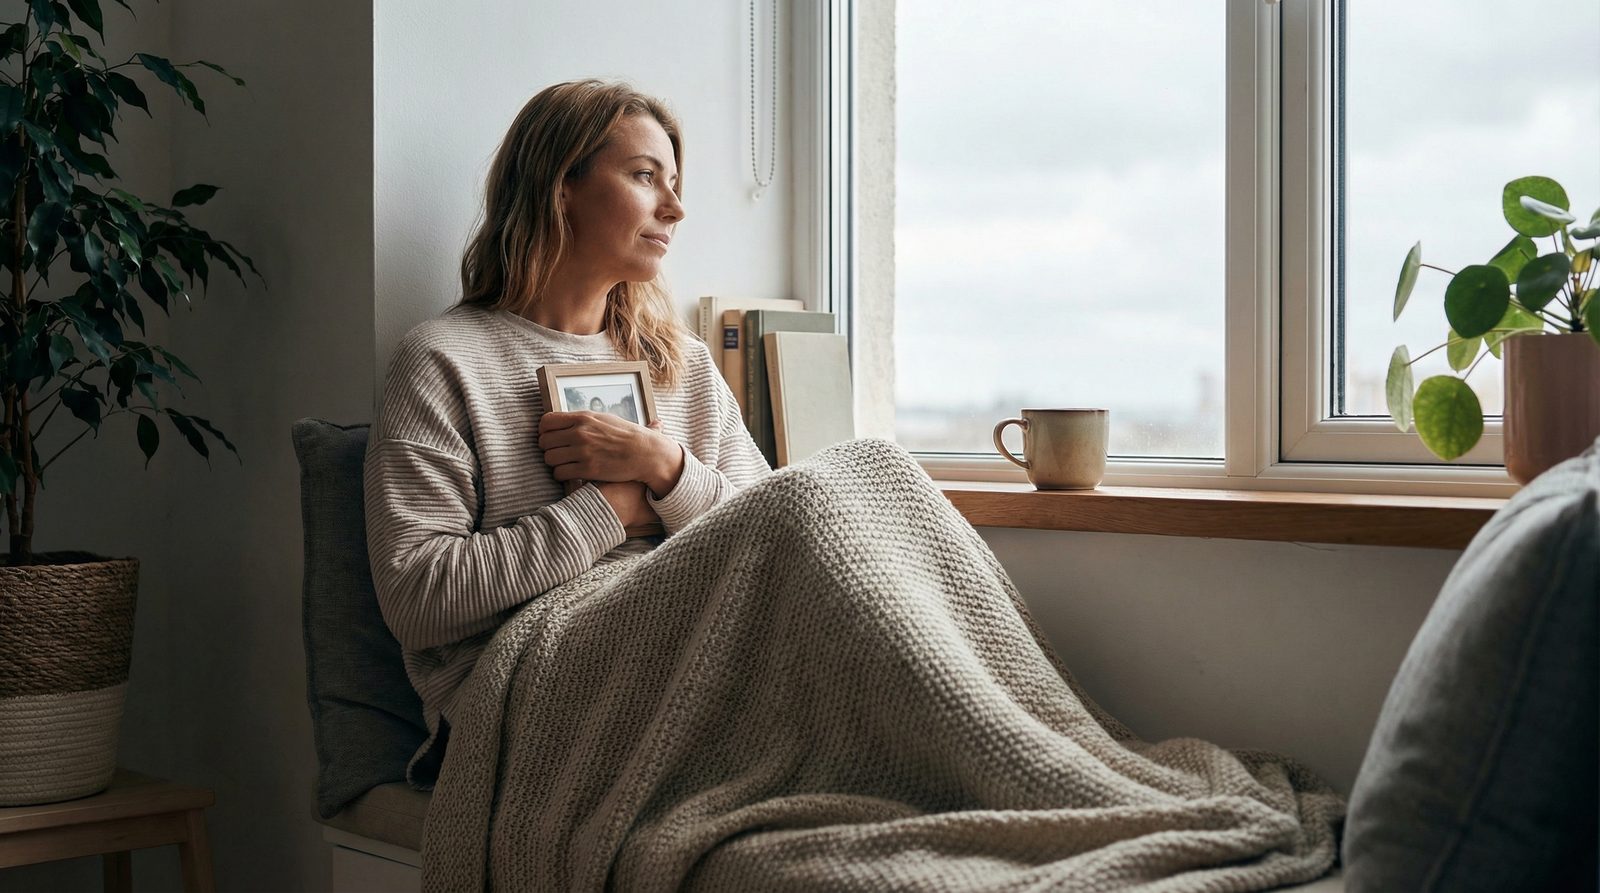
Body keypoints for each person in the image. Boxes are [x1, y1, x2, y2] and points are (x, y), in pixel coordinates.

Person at [363, 79, 771, 741]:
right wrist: (607, 510)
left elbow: (773, 538)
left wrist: (666, 470)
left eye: (674, 182)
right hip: (525, 684)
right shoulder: (445, 360)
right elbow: (419, 599)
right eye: (645, 176)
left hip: (687, 651)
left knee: (876, 478)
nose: (675, 208)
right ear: (561, 187)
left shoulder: (684, 362)